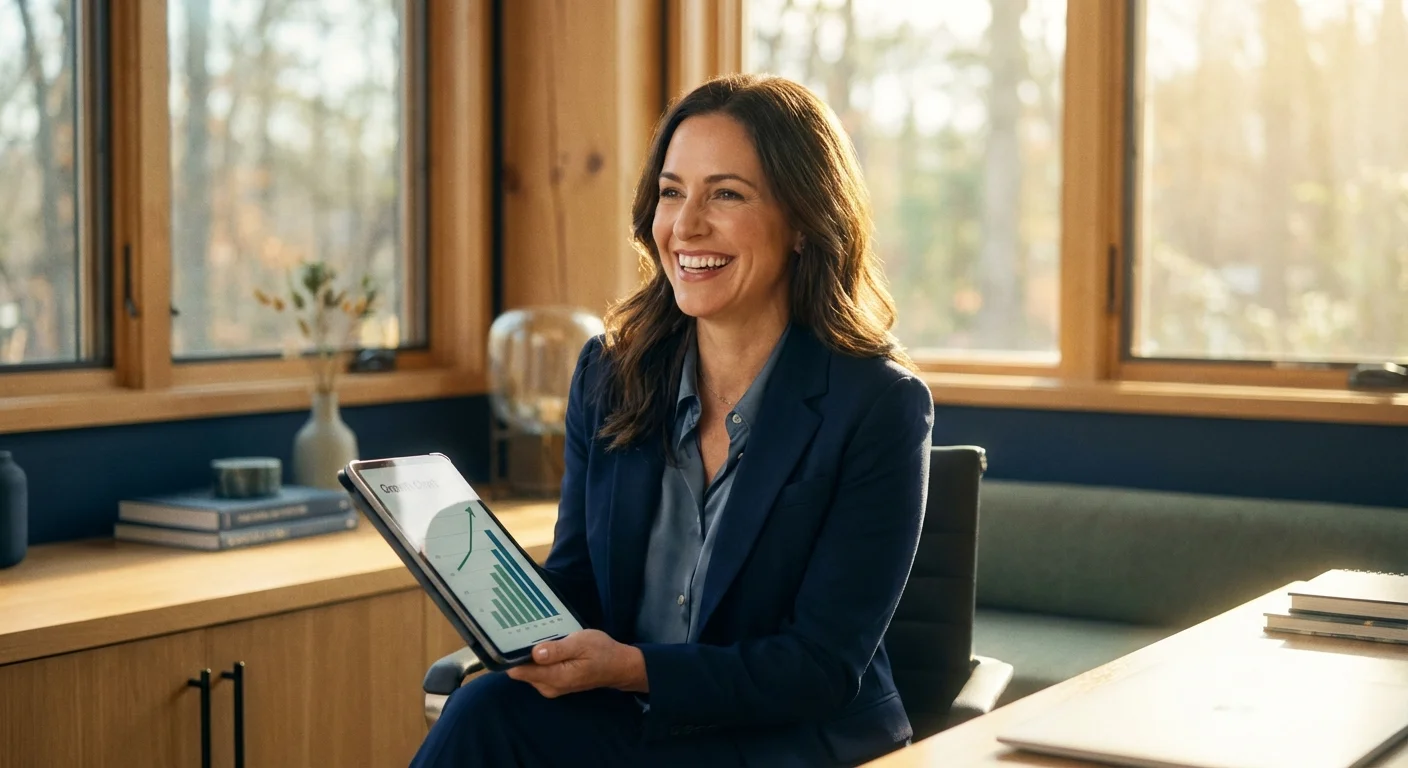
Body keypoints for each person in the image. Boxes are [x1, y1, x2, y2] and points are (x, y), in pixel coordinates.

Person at [412, 73, 934, 767]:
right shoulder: (610, 375)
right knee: (485, 711)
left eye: (726, 194)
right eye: (671, 192)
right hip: (641, 724)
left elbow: (819, 666)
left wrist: (630, 669)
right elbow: (578, 585)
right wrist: (499, 606)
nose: (686, 226)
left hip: (790, 738)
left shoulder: (878, 404)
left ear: (805, 222)